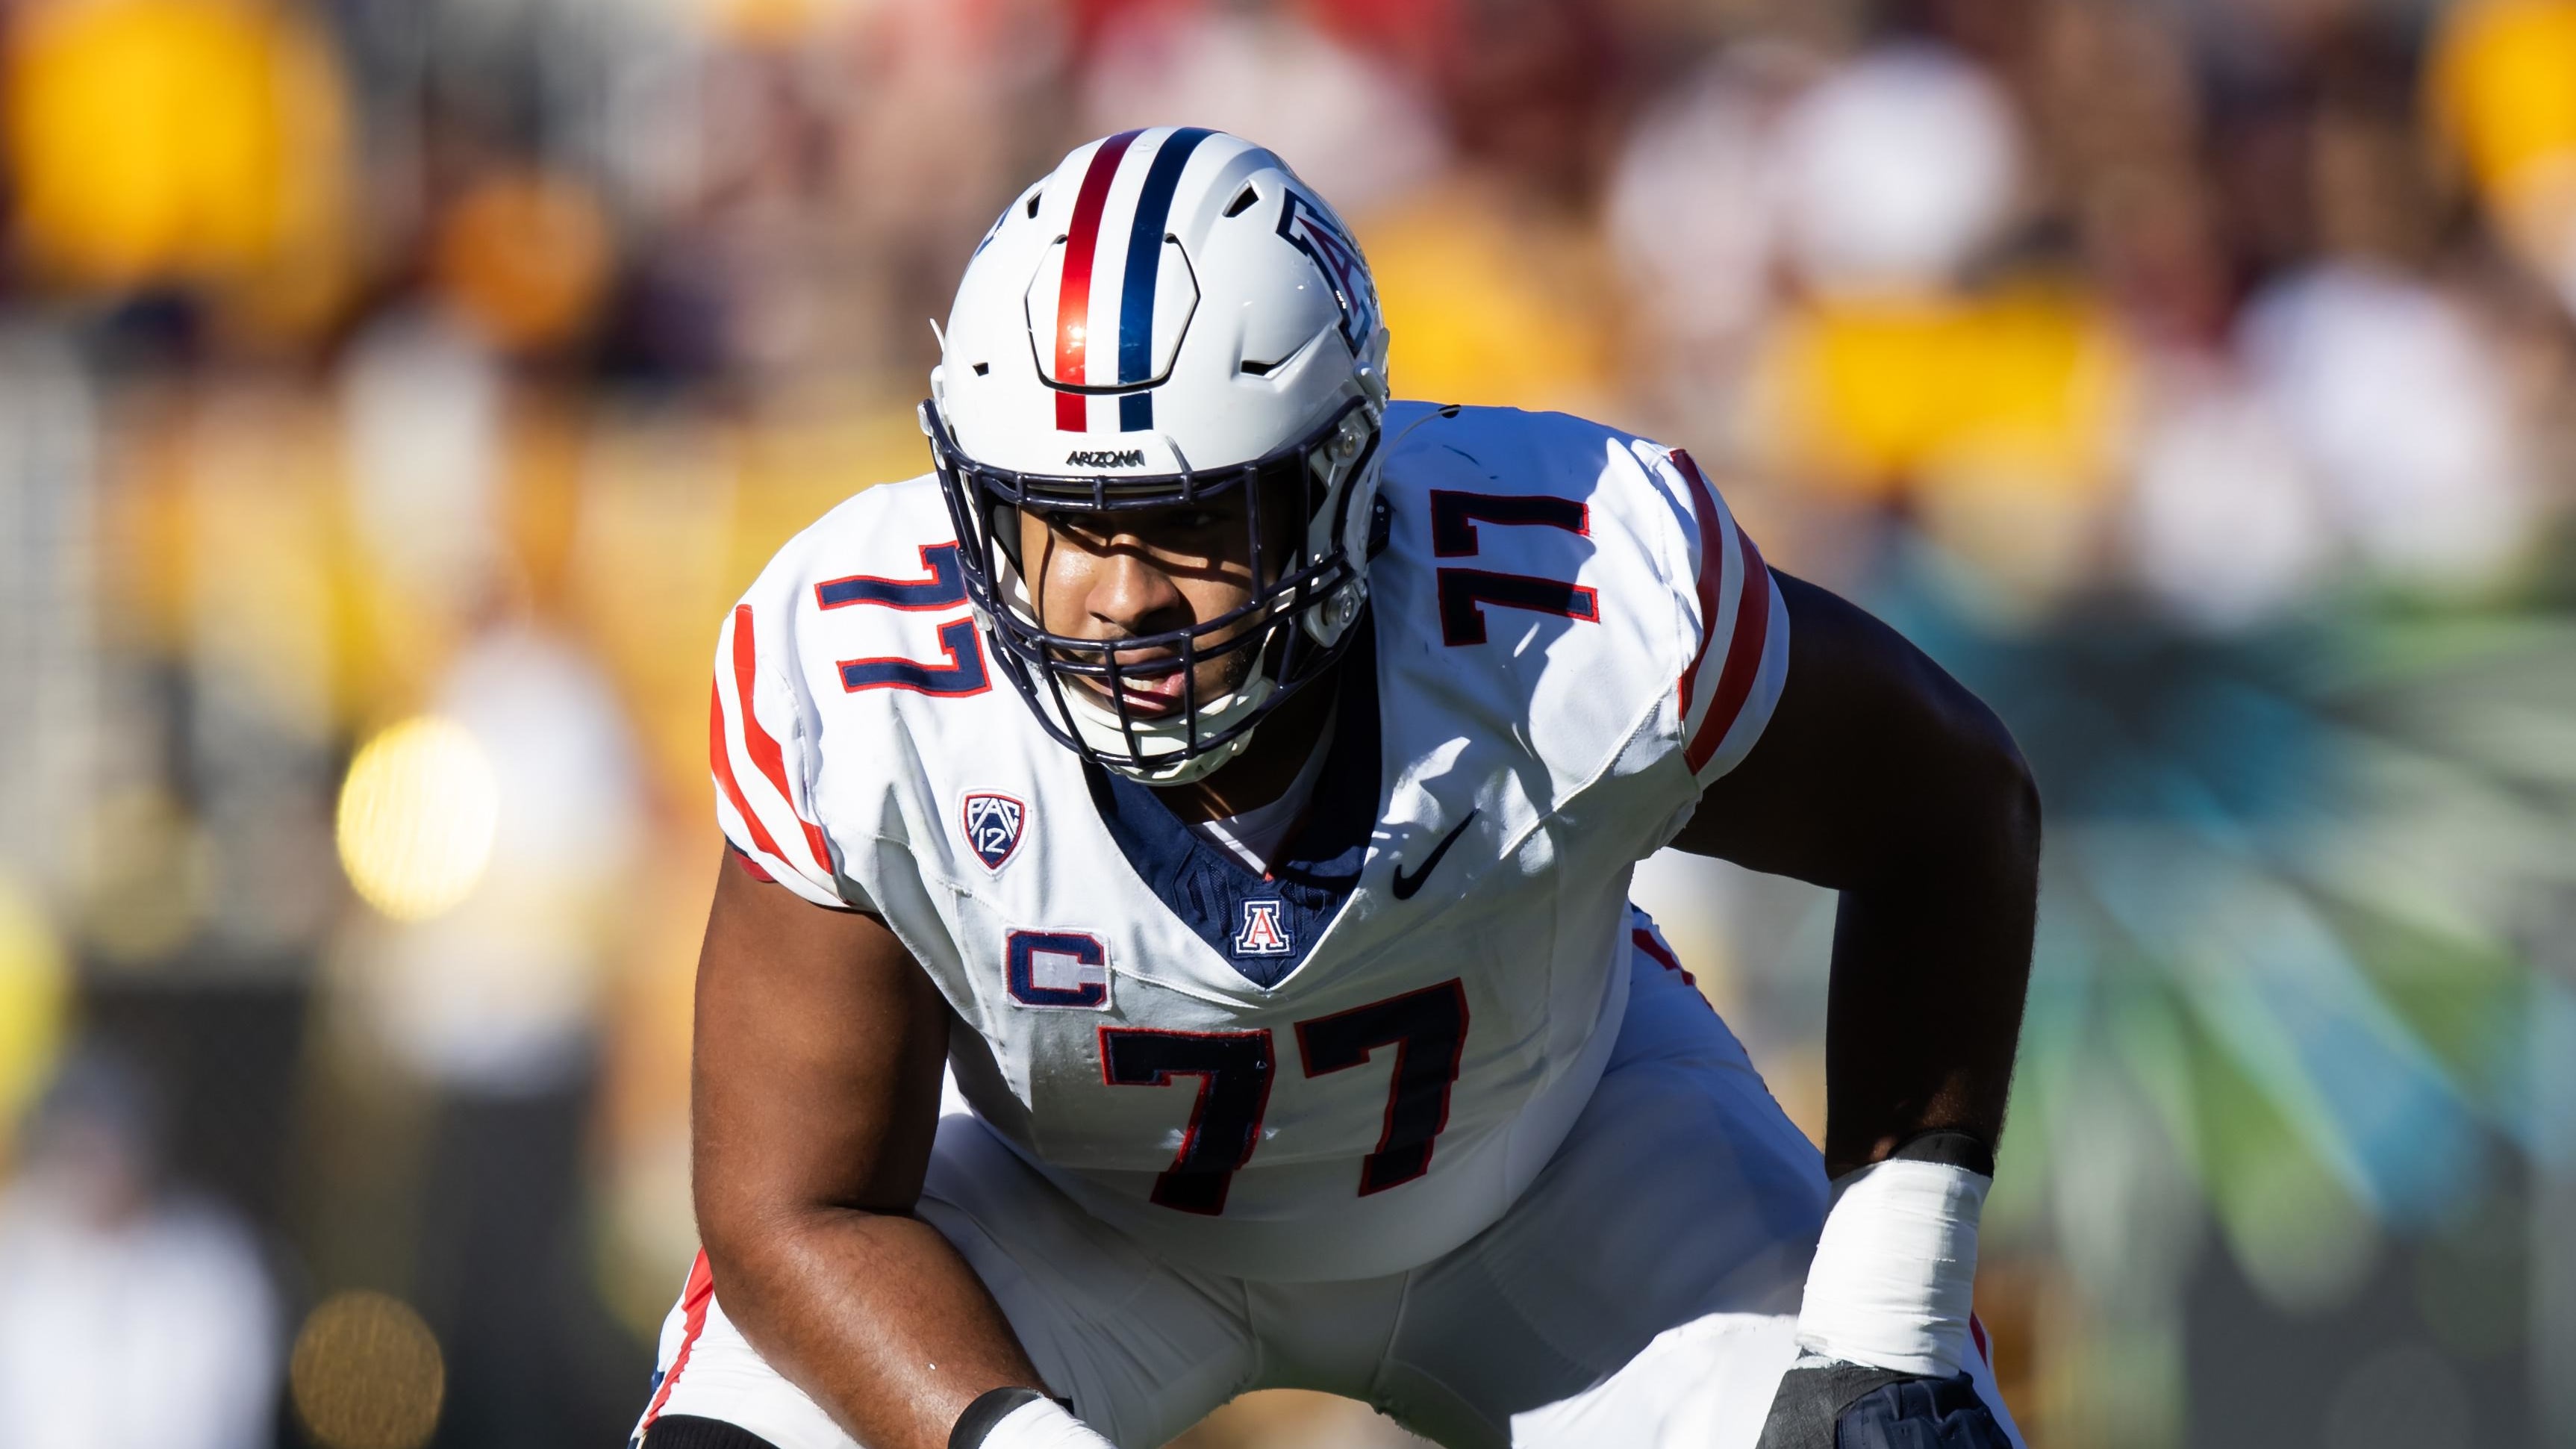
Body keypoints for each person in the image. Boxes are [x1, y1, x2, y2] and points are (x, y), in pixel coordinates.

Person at [634, 128, 2038, 1449]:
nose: (1120, 598)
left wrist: (1886, 1322)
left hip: (1556, 1171)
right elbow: (794, 1209)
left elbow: (1946, 807)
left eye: (1189, 516)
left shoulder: (1576, 598)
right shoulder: (865, 675)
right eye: (1060, 521)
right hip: (1066, 1220)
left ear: (1340, 483)